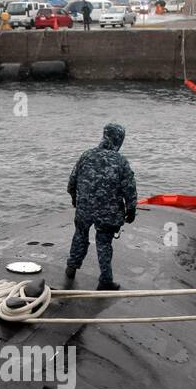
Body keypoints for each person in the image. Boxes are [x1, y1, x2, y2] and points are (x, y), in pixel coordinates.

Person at [66, 122, 137, 291]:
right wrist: (131, 210)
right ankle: (105, 280)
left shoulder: (86, 155)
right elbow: (129, 189)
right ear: (119, 139)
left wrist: (75, 201)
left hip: (85, 209)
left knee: (80, 235)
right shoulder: (120, 161)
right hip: (108, 213)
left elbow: (71, 183)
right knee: (104, 243)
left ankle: (71, 267)